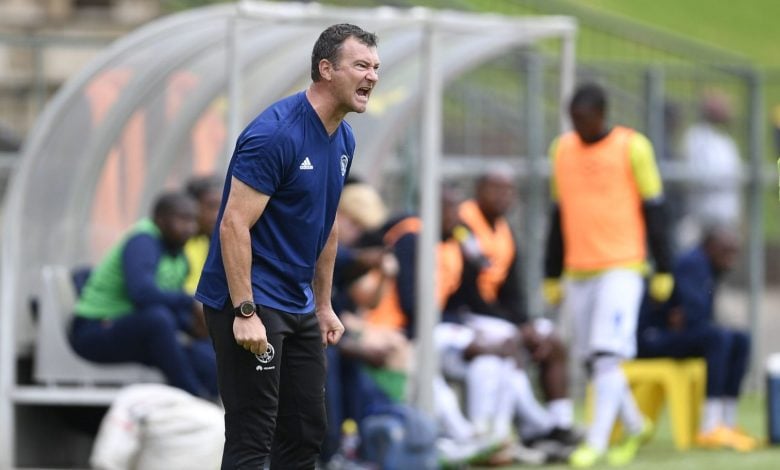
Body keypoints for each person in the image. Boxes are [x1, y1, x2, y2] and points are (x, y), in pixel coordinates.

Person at [194, 24, 379, 469]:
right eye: (361, 65)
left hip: (297, 305)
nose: (372, 76)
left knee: (306, 433)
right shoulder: (276, 134)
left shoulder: (344, 139)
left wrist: (323, 305)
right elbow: (233, 224)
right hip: (250, 302)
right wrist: (245, 311)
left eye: (375, 67)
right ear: (326, 69)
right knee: (253, 435)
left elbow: (326, 225)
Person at [543, 83, 675, 468]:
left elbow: (656, 210)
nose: (578, 126)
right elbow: (557, 215)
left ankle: (596, 443)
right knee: (593, 360)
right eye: (573, 119)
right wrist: (551, 273)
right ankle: (635, 424)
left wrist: (663, 268)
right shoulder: (561, 150)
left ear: (601, 114)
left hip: (623, 268)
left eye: (583, 119)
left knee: (605, 356)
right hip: (579, 270)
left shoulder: (632, 147)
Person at [447, 167, 576, 441]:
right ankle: (530, 427)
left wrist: (526, 324)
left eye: (509, 190)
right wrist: (517, 328)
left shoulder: (504, 229)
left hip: (496, 315)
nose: (504, 196)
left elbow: (513, 292)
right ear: (479, 191)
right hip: (465, 315)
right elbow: (468, 291)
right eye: (496, 189)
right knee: (509, 340)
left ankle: (560, 422)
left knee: (549, 337)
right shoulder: (462, 224)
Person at [70, 191, 218, 399]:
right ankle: (193, 399)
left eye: (193, 220)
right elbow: (142, 294)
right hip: (95, 329)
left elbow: (172, 303)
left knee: (204, 353)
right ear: (160, 220)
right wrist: (189, 301)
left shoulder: (177, 253)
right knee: (158, 319)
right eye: (182, 220)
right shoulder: (143, 241)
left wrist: (201, 327)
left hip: (134, 331)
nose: (189, 228)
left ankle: (212, 407)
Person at [637, 225, 757, 451]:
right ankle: (710, 425)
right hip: (651, 338)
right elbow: (696, 314)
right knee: (718, 338)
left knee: (741, 339)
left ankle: (727, 422)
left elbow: (693, 317)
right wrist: (683, 316)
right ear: (710, 247)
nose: (732, 257)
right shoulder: (692, 263)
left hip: (675, 335)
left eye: (735, 251)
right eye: (727, 250)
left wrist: (688, 317)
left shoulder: (710, 267)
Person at [680, 91, 742, 248]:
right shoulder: (696, 136)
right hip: (703, 214)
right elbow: (697, 174)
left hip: (725, 216)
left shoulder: (725, 141)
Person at [183, 175, 223, 295]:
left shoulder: (210, 241)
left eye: (221, 207)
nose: (217, 215)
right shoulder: (178, 243)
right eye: (211, 206)